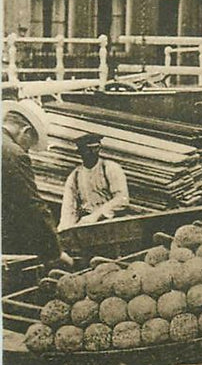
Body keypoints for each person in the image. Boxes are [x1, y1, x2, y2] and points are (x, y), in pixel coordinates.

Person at [2, 100, 70, 269]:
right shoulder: (12, 153)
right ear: (26, 131)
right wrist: (56, 251)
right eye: (29, 146)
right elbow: (30, 204)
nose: (27, 151)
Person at [59, 132, 130, 230]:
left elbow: (122, 199)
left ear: (99, 148)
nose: (92, 152)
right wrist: (65, 229)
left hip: (112, 222)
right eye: (87, 150)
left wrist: (97, 215)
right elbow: (69, 208)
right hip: (87, 224)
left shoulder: (110, 168)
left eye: (95, 148)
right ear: (80, 152)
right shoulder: (75, 176)